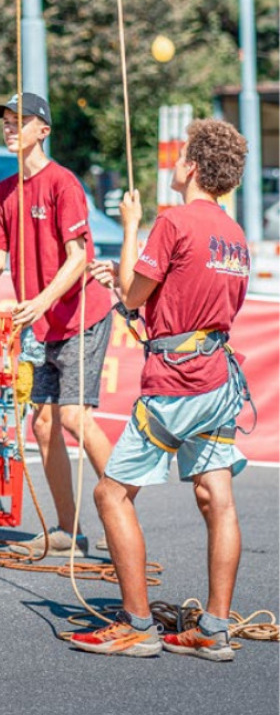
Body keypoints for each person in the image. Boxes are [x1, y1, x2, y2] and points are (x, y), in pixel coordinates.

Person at [70, 118, 252, 659]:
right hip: (218, 375)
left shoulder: (173, 223)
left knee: (110, 493)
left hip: (176, 383)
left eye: (179, 158)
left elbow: (132, 294)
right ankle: (214, 628)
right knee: (215, 496)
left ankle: (136, 624)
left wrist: (129, 227)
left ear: (192, 166)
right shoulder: (235, 235)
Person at [0, 92, 114, 553]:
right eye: (5, 121)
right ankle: (68, 530)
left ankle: (121, 501)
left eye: (20, 121)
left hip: (82, 316)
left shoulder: (63, 183)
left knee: (74, 417)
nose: (9, 128)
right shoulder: (3, 191)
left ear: (44, 130)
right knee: (42, 425)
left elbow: (79, 258)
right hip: (42, 323)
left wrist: (39, 301)